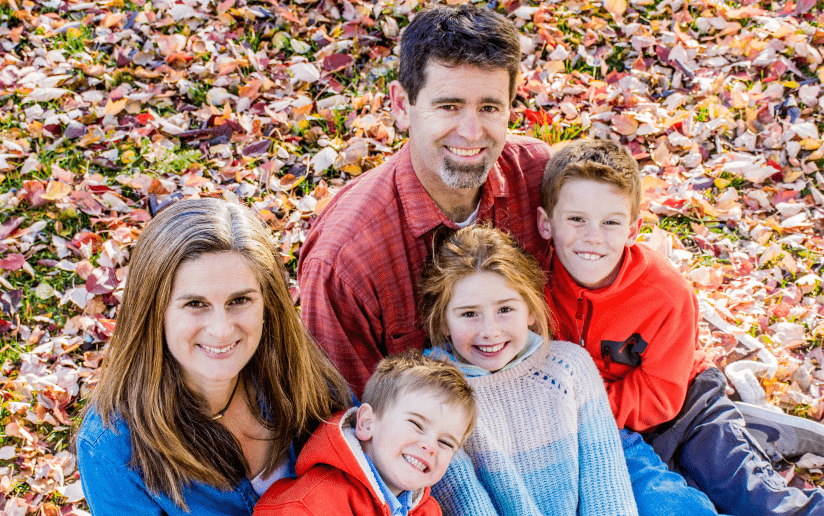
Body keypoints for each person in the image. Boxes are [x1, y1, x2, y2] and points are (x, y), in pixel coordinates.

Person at [539, 139, 824, 515]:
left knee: (749, 493)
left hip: (686, 406)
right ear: (546, 224)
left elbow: (660, 394)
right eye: (577, 219)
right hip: (607, 429)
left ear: (633, 229)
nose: (593, 236)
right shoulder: (533, 286)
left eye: (610, 222)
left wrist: (581, 409)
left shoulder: (665, 293)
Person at [297, 4, 551, 397]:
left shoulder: (540, 179)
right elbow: (343, 418)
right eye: (448, 106)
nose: (471, 132)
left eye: (489, 107)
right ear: (402, 106)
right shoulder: (345, 260)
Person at [420, 225, 722, 516]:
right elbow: (462, 496)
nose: (490, 331)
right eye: (469, 314)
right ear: (444, 320)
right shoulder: (434, 392)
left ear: (529, 308)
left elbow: (604, 478)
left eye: (505, 309)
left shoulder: (568, 367)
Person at [75, 198, 351, 515]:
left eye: (240, 300)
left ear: (267, 303)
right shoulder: (111, 447)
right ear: (155, 311)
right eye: (195, 304)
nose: (221, 330)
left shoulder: (295, 364)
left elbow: (375, 473)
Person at [254, 350, 476, 516]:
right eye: (417, 424)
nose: (431, 446)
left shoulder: (427, 510)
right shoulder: (310, 505)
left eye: (446, 443)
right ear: (367, 423)